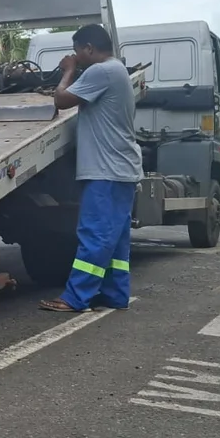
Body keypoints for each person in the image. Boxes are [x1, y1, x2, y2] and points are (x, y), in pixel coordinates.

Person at [39, 24, 143, 312]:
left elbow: (62, 100)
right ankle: (115, 294)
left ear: (88, 48)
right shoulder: (118, 70)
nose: (75, 56)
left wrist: (68, 71)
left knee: (94, 234)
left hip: (105, 171)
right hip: (120, 169)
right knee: (115, 240)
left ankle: (75, 297)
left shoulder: (101, 71)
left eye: (77, 52)